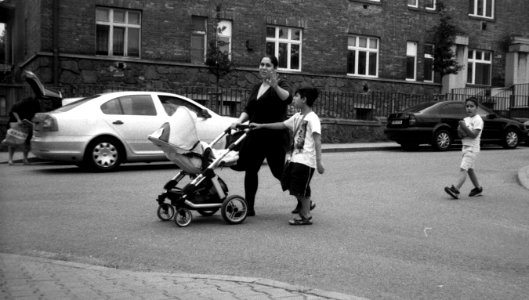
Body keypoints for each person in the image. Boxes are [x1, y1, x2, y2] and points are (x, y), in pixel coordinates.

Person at [251, 86, 325, 225]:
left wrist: (319, 162)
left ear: (304, 99)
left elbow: (317, 140)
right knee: (289, 183)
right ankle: (306, 208)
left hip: (306, 160)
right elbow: (282, 124)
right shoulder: (297, 116)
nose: (294, 99)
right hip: (294, 158)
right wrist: (261, 126)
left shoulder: (313, 118)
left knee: (300, 187)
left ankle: (305, 215)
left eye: (296, 96)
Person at [230, 55, 292, 216]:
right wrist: (239, 121)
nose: (264, 67)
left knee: (278, 171)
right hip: (256, 135)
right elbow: (249, 109)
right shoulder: (257, 87)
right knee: (251, 170)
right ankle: (249, 207)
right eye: (262, 64)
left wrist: (275, 86)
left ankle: (303, 199)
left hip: (274, 137)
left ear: (275, 69)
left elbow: (288, 99)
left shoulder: (281, 84)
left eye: (268, 65)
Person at [444, 97, 484, 199]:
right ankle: (478, 188)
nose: (469, 108)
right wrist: (460, 130)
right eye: (467, 106)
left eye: (471, 106)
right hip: (465, 147)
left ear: (477, 108)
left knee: (463, 169)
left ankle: (456, 190)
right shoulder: (466, 119)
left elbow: (474, 135)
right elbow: (461, 135)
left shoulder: (478, 120)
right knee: (470, 169)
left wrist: (464, 127)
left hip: (472, 149)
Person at [7, 97, 41, 165]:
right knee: (13, 141)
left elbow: (36, 114)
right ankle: (10, 159)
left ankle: (25, 159)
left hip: (27, 124)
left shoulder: (36, 105)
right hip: (16, 123)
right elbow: (13, 111)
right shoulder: (21, 103)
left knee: (27, 142)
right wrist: (18, 119)